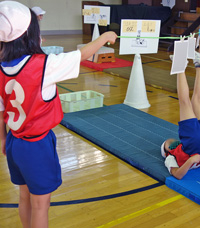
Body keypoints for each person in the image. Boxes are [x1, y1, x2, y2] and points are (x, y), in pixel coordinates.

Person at [0, 1, 117, 228]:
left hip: (14, 142)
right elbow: (80, 54)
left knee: (24, 198)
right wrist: (104, 38)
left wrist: (2, 138)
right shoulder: (45, 65)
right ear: (30, 34)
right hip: (37, 145)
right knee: (41, 206)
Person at [160, 52, 200, 180]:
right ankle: (180, 65)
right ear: (166, 151)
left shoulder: (184, 148)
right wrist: (191, 160)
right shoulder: (171, 157)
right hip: (199, 144)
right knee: (185, 102)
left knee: (196, 102)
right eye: (168, 144)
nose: (171, 142)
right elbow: (177, 175)